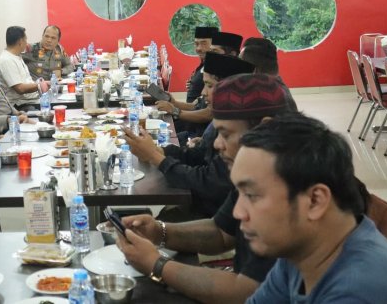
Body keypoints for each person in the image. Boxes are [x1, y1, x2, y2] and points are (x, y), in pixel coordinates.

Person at [116, 74, 296, 303]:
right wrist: (159, 231)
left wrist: (157, 264)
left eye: (226, 134)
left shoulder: (288, 187)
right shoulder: (255, 169)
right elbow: (221, 231)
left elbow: (245, 291)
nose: (217, 144)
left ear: (265, 127)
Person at [238, 114, 387, 302]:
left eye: (251, 195)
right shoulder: (302, 251)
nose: (238, 212)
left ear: (315, 201)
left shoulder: (358, 290)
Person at [124, 52, 256, 219]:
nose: (203, 92)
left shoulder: (241, 129)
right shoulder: (223, 120)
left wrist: (154, 157)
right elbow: (198, 155)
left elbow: (206, 181)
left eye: (209, 85)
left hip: (210, 214)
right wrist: (158, 150)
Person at [0, 26, 49, 110]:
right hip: (21, 105)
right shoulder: (6, 60)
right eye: (25, 40)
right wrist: (41, 85)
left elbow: (26, 81)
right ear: (20, 41)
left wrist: (40, 84)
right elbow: (20, 89)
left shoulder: (16, 56)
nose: (27, 43)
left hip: (32, 99)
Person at [185, 26, 218, 103]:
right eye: (196, 44)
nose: (199, 48)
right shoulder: (203, 64)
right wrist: (193, 84)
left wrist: (175, 105)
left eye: (204, 44)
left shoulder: (217, 68)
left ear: (214, 45)